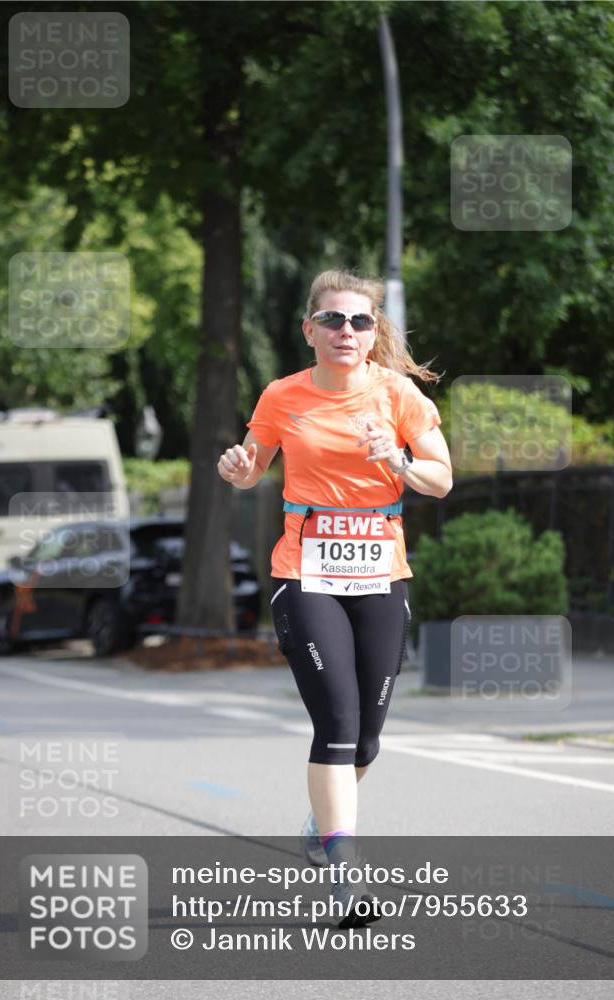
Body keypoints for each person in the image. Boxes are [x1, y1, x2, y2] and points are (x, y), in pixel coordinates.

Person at [217, 269, 452, 928]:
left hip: (380, 576)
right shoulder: (282, 395)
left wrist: (397, 461)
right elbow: (251, 468)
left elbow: (440, 479)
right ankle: (346, 876)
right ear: (310, 329)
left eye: (359, 321)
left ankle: (320, 825)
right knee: (338, 725)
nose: (346, 331)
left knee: (368, 739)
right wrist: (237, 471)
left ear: (373, 333)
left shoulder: (397, 394)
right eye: (333, 319)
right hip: (306, 576)